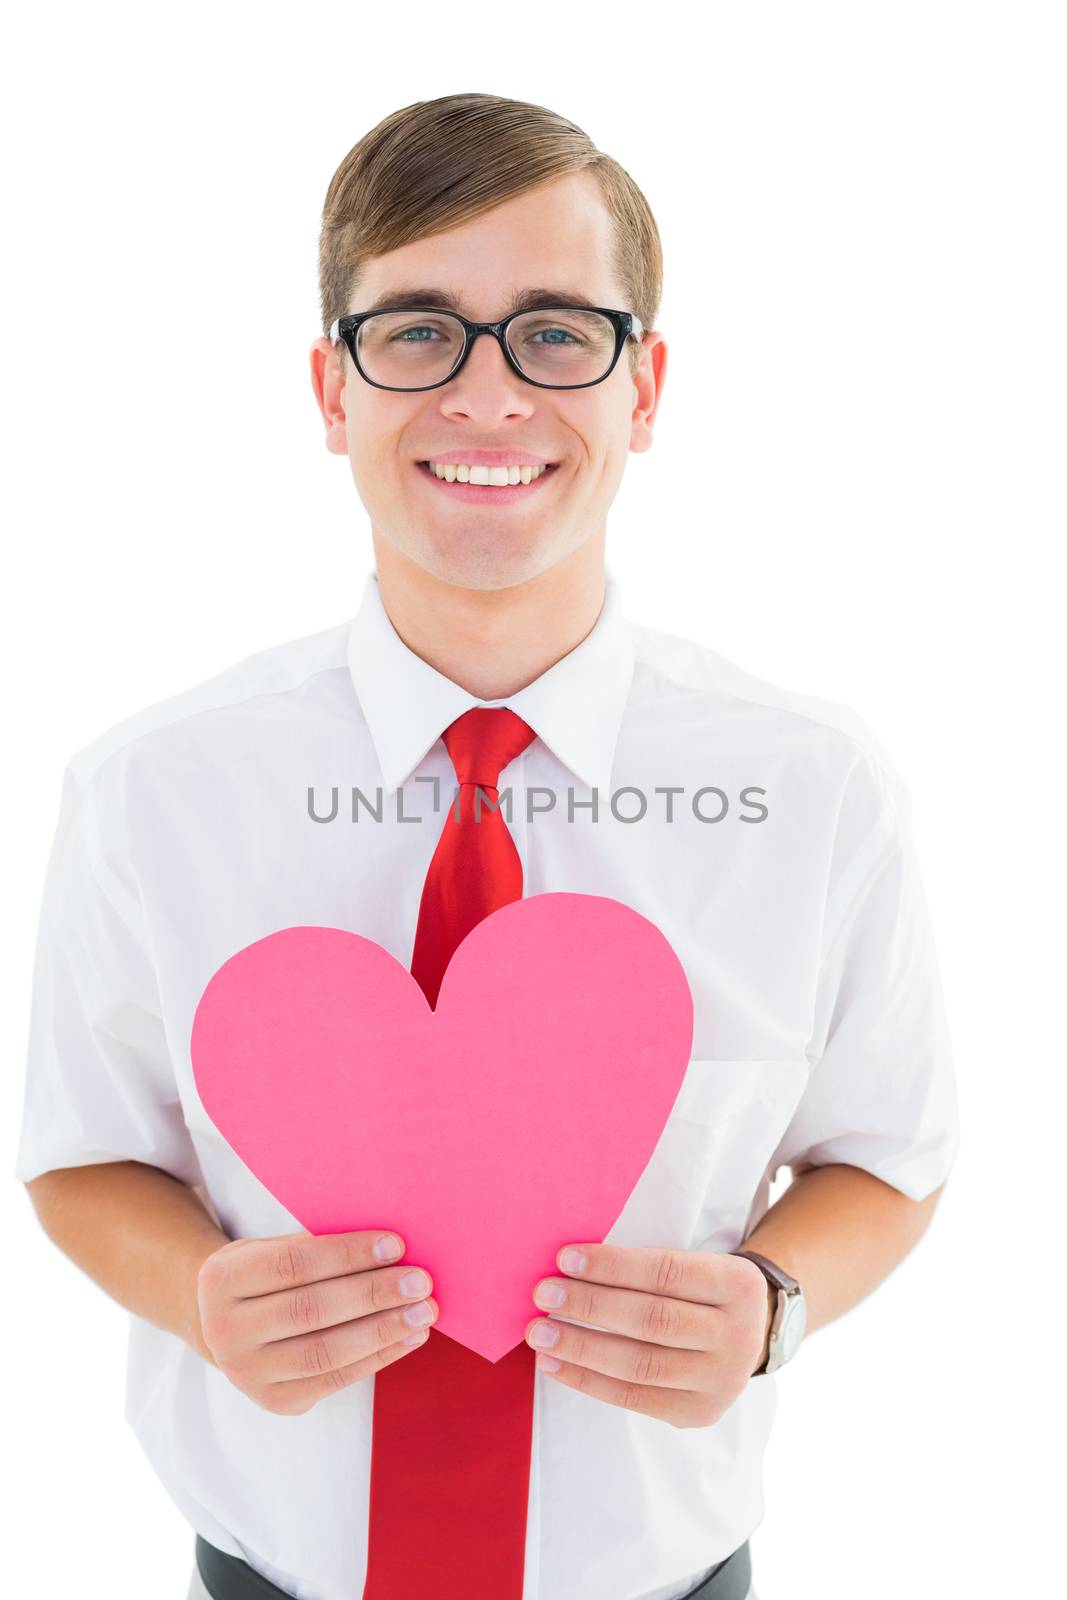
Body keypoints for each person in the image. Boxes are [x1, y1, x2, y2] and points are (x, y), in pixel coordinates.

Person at [14, 92, 959, 1600]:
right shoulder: (152, 793)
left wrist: (775, 1305)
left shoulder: (816, 789)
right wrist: (201, 1298)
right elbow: (83, 1158)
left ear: (644, 390)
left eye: (556, 332)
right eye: (417, 333)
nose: (488, 395)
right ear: (331, 392)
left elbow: (887, 1155)